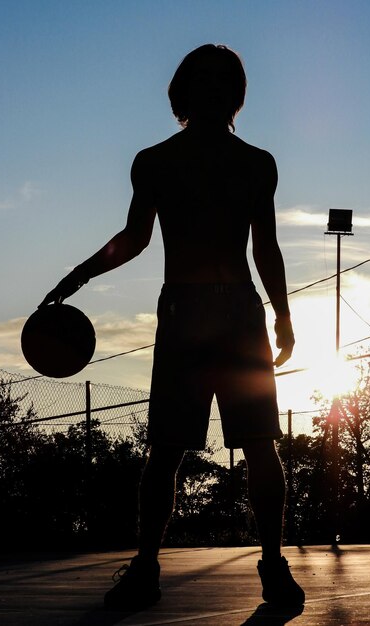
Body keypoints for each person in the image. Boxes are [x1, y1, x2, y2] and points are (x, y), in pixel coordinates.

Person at [40, 43, 305, 610]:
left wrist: (282, 313)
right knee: (165, 450)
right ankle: (145, 567)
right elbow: (135, 237)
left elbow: (268, 247)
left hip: (239, 312)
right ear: (182, 91)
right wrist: (78, 276)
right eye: (201, 78)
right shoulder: (155, 161)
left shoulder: (258, 163)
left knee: (260, 443)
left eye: (222, 79)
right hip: (182, 312)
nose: (211, 87)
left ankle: (274, 564)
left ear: (236, 93)